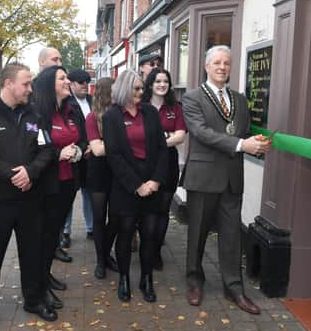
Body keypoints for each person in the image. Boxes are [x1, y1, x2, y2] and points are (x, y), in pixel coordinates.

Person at [0, 63, 58, 331]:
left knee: (32, 253)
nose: (30, 89)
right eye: (26, 83)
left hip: (30, 200)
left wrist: (31, 171)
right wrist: (11, 174)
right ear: (8, 84)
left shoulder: (34, 115)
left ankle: (33, 299)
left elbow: (47, 149)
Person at [182, 45, 270, 314]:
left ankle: (234, 288)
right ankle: (195, 281)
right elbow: (201, 132)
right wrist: (243, 145)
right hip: (203, 177)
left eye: (227, 63)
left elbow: (241, 132)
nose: (222, 67)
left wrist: (255, 142)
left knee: (232, 236)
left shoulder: (241, 100)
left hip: (232, 178)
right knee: (197, 232)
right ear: (206, 66)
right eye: (217, 63)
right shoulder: (192, 98)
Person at [102, 70, 168, 303]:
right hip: (125, 186)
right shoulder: (111, 116)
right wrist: (136, 185)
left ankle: (146, 278)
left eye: (142, 88)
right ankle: (124, 278)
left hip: (152, 185)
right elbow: (114, 155)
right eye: (137, 88)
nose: (142, 92)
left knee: (149, 234)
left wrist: (156, 180)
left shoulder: (149, 112)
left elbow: (162, 148)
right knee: (125, 232)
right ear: (124, 89)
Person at [31, 65, 87, 310]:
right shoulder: (35, 114)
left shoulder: (72, 109)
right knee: (43, 237)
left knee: (53, 236)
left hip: (68, 183)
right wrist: (57, 154)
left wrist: (78, 150)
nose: (68, 82)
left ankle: (45, 275)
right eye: (62, 78)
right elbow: (31, 146)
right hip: (45, 186)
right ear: (48, 84)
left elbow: (83, 138)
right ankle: (39, 285)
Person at [141, 69, 186, 271]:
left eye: (165, 81)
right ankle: (145, 247)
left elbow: (180, 136)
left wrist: (155, 142)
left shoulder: (175, 107)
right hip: (144, 163)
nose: (161, 84)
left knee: (163, 209)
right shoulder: (141, 106)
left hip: (168, 162)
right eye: (157, 81)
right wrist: (165, 138)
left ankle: (156, 251)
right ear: (150, 84)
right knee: (146, 209)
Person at [84, 77, 119, 279]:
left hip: (117, 171)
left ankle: (106, 254)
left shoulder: (121, 113)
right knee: (99, 218)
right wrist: (122, 146)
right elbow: (97, 150)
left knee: (115, 217)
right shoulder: (92, 117)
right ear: (105, 92)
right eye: (113, 91)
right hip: (98, 171)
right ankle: (100, 260)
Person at [61, 69, 93, 248]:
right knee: (70, 194)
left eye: (87, 82)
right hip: (73, 155)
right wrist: (82, 146)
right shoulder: (67, 103)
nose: (85, 86)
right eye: (81, 83)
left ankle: (91, 228)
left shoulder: (91, 101)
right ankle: (65, 231)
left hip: (91, 155)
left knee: (89, 193)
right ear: (71, 84)